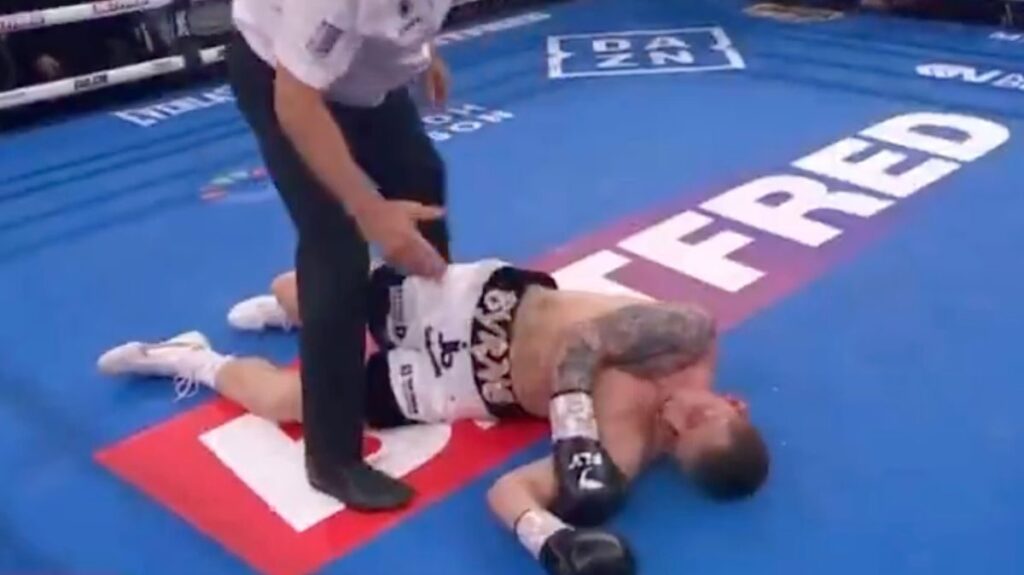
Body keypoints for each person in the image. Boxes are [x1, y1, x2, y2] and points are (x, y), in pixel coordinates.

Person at [99, 260, 771, 575]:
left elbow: (508, 491)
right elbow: (583, 345)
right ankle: (298, 311)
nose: (674, 414)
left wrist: (551, 540)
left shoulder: (624, 450)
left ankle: (189, 357)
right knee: (294, 288)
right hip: (479, 306)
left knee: (290, 405)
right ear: (732, 400)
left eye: (677, 436)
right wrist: (571, 423)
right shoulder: (687, 333)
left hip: (463, 381)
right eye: (701, 411)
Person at [226, 0, 456, 510]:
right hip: (283, 81)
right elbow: (296, 102)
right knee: (336, 244)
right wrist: (369, 209)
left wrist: (422, 52)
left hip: (360, 78)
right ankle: (333, 459)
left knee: (422, 179)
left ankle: (425, 337)